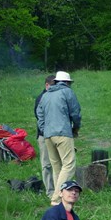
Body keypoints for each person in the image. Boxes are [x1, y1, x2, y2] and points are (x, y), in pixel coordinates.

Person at [36, 71, 82, 206]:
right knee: (69, 164)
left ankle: (60, 198)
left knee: (57, 167)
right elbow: (76, 113)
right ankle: (56, 199)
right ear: (67, 83)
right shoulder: (67, 92)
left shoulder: (46, 94)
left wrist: (44, 129)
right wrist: (75, 128)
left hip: (48, 136)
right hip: (62, 133)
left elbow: (39, 114)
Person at [34, 74, 56, 199]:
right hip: (44, 136)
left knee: (58, 163)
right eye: (53, 85)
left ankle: (60, 188)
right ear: (46, 85)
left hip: (57, 135)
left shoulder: (57, 97)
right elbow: (39, 118)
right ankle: (50, 191)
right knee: (47, 164)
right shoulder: (41, 98)